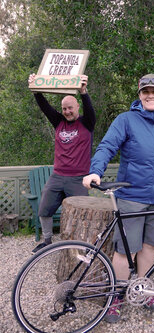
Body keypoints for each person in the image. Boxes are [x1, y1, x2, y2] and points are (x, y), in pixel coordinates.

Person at [82, 73, 154, 323]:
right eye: (146, 92)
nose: (151, 95)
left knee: (149, 245)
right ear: (140, 95)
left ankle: (141, 289)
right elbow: (107, 146)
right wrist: (95, 171)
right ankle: (117, 296)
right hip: (132, 195)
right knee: (125, 250)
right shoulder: (126, 120)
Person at [28, 74, 96, 253]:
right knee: (44, 209)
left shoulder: (87, 123)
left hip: (79, 178)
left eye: (70, 108)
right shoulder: (58, 122)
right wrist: (36, 90)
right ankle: (47, 240)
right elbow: (45, 107)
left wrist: (83, 92)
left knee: (83, 214)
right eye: (64, 109)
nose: (67, 112)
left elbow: (89, 109)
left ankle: (82, 246)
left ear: (77, 107)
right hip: (57, 176)